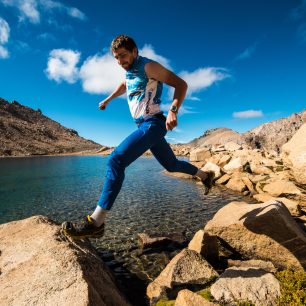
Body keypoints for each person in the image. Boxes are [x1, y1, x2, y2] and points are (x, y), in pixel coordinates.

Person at [62, 35, 214, 239]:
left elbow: (181, 84)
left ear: (135, 51)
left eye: (123, 56)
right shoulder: (128, 72)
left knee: (116, 160)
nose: (120, 62)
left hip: (153, 123)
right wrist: (107, 99)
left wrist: (173, 110)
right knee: (171, 165)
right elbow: (124, 85)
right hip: (145, 125)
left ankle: (96, 222)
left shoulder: (149, 66)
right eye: (116, 58)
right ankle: (206, 176)